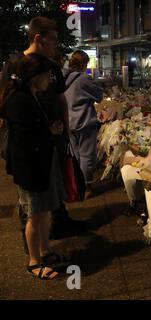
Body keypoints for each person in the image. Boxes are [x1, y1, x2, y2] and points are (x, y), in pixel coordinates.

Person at [0, 17, 86, 249]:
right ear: (39, 38)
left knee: (53, 180)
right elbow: (7, 103)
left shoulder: (52, 66)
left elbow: (61, 100)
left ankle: (59, 222)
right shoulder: (15, 66)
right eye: (53, 40)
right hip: (27, 139)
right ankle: (32, 243)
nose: (56, 45)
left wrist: (65, 132)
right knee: (30, 191)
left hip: (54, 136)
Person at [0, 54, 67, 279]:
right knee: (34, 214)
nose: (50, 78)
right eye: (47, 74)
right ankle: (34, 261)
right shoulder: (19, 100)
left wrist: (49, 130)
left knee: (44, 211)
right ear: (35, 76)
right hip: (30, 167)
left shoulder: (32, 95)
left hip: (40, 162)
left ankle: (45, 251)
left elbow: (32, 129)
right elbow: (24, 137)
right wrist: (49, 131)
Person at [63, 51, 103, 199]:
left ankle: (76, 185)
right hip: (84, 122)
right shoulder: (83, 79)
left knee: (76, 155)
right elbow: (99, 95)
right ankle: (87, 186)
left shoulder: (64, 77)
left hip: (69, 121)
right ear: (83, 63)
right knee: (87, 156)